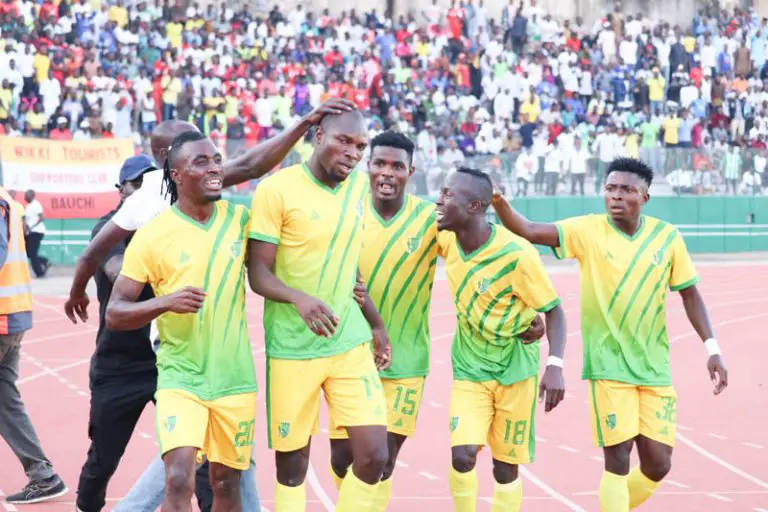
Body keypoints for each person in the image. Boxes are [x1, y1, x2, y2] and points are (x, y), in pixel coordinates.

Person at [490, 157, 729, 512]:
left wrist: (712, 348)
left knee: (658, 464)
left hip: (654, 368)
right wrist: (498, 201)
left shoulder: (667, 238)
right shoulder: (587, 230)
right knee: (618, 458)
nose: (616, 196)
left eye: (626, 190)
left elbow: (690, 294)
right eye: (610, 188)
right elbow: (528, 229)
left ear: (644, 197)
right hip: (607, 367)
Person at [328, 131, 546, 511]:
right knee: (342, 460)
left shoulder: (432, 221)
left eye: (397, 166)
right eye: (380, 163)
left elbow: (478, 255)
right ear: (368, 166)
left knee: (381, 461)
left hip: (406, 361)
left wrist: (526, 311)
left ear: (410, 172)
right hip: (348, 356)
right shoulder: (347, 211)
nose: (387, 172)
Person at [64, 98, 357, 325]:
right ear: (168, 159)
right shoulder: (150, 194)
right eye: (192, 146)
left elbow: (251, 167)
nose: (207, 158)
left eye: (212, 155)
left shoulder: (212, 188)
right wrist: (78, 292)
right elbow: (94, 253)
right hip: (153, 330)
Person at [247, 109, 392, 511]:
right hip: (293, 347)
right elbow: (258, 273)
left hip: (349, 342)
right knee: (292, 468)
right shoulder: (276, 190)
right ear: (318, 136)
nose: (353, 153)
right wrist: (299, 298)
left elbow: (348, 258)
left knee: (375, 456)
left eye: (360, 146)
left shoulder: (359, 187)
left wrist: (375, 322)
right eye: (344, 141)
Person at [105, 131, 256, 511]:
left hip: (235, 379)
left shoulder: (240, 219)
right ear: (176, 174)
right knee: (177, 477)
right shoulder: (153, 235)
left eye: (217, 160)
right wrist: (164, 303)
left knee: (227, 483)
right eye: (201, 162)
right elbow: (115, 313)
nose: (215, 168)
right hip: (181, 377)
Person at [434, 167, 567, 512]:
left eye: (448, 195)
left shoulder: (517, 254)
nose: (438, 201)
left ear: (475, 206)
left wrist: (554, 365)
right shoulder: (445, 236)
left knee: (505, 468)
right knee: (463, 456)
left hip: (515, 371)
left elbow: (554, 310)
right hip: (470, 370)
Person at [75, 155, 159, 512]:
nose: (144, 191)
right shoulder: (107, 229)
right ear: (121, 190)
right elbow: (120, 272)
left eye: (151, 184)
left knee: (193, 453)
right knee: (103, 460)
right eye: (137, 184)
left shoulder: (169, 225)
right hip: (118, 364)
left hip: (168, 361)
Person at [0, 185, 67, 504]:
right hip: (13, 312)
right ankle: (43, 476)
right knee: (5, 400)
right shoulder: (8, 201)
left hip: (3, 316)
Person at [23, 189, 50, 278]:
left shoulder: (36, 204)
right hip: (30, 232)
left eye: (26, 195)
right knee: (28, 253)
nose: (25, 197)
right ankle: (44, 261)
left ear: (32, 196)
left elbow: (41, 218)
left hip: (37, 232)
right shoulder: (28, 206)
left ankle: (40, 273)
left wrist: (31, 227)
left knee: (32, 254)